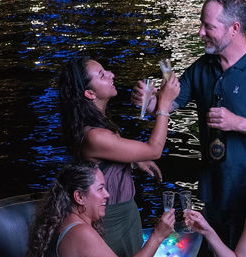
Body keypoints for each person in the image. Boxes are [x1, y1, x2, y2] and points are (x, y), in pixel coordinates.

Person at [131, 0, 246, 250]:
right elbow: (168, 105)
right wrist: (150, 100)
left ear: (234, 28)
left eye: (208, 26)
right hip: (214, 193)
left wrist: (237, 122)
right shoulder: (203, 67)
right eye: (201, 24)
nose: (200, 32)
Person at [58, 57, 180, 256]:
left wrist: (132, 158)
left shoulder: (98, 124)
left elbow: (102, 159)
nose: (111, 74)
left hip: (125, 212)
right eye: (102, 75)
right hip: (110, 219)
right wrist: (163, 106)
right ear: (90, 93)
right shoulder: (95, 135)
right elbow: (155, 149)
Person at [27, 162, 175, 257]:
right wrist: (157, 236)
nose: (107, 194)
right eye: (101, 189)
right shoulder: (81, 232)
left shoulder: (63, 220)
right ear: (79, 197)